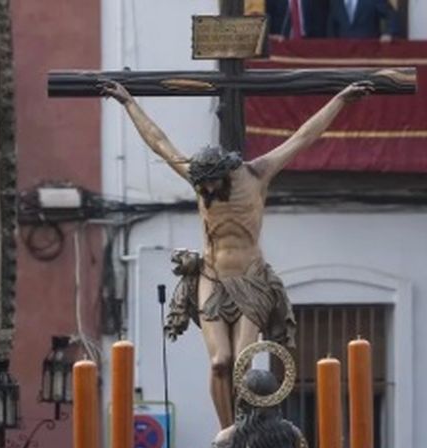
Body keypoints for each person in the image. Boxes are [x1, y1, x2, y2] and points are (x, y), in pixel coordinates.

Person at [100, 77, 374, 428]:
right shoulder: (200, 179)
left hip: (251, 278)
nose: (207, 189)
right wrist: (128, 103)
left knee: (242, 363)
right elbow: (160, 143)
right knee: (220, 362)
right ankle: (227, 432)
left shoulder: (257, 173)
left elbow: (304, 136)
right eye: (202, 184)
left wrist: (341, 99)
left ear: (225, 173)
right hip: (212, 277)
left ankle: (245, 429)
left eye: (212, 182)